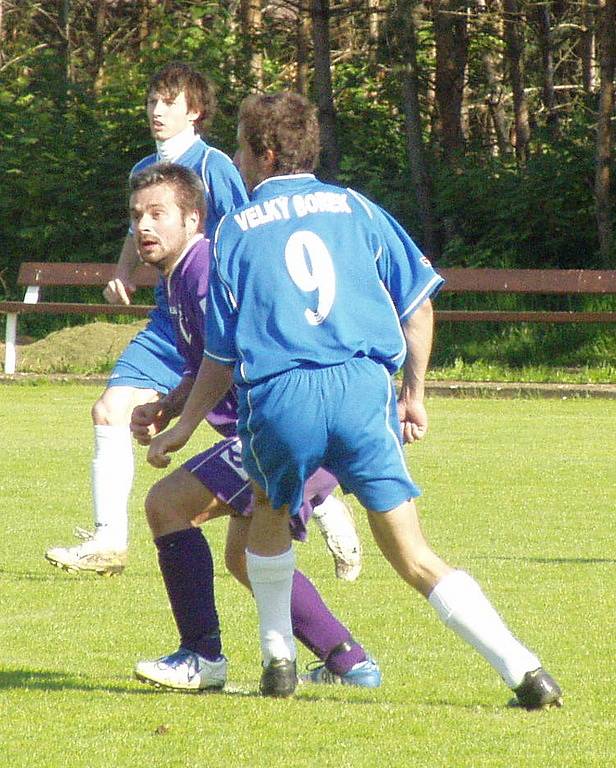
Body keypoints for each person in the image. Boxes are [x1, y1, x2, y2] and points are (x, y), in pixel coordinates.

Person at [145, 91, 564, 709]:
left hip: (283, 395)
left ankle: (277, 659)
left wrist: (181, 426)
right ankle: (525, 671)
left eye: (239, 145)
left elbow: (222, 354)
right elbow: (418, 305)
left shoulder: (234, 230)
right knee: (412, 552)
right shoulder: (359, 208)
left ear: (263, 152)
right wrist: (415, 395)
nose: (235, 157)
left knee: (263, 516)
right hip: (364, 389)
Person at [44, 63, 361, 581]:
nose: (156, 111)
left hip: (211, 318)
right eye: (151, 101)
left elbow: (247, 228)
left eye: (168, 102)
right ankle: (108, 540)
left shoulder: (215, 165)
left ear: (194, 111)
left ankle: (322, 498)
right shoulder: (146, 168)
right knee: (108, 411)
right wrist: (123, 272)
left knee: (250, 434)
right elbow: (137, 227)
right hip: (166, 321)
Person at [126, 162, 379, 690]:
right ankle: (350, 663)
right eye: (136, 217)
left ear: (193, 219)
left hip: (281, 425)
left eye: (157, 214)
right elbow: (206, 362)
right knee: (247, 557)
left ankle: (201, 655)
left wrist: (179, 426)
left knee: (166, 505)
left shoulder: (202, 271)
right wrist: (168, 407)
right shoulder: (179, 278)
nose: (144, 227)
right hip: (298, 424)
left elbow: (228, 359)